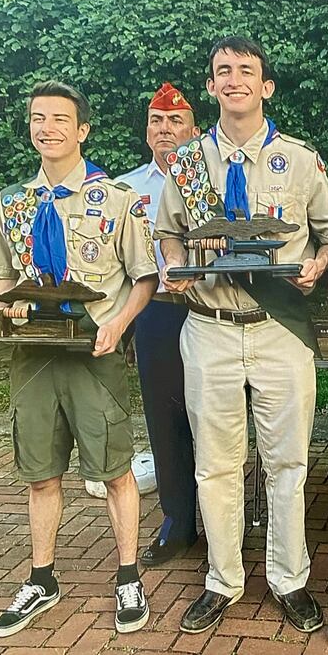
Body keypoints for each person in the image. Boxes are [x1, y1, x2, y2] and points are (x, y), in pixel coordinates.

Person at [154, 36, 328, 635]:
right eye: (222, 71)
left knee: (288, 463)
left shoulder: (302, 159)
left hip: (279, 328)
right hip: (207, 327)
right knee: (216, 464)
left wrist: (318, 265)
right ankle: (223, 580)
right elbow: (169, 235)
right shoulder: (184, 163)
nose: (234, 79)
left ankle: (290, 578)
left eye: (246, 71)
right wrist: (171, 266)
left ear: (267, 86)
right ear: (210, 87)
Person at [0, 81, 158, 636]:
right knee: (40, 473)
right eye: (36, 118)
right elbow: (3, 279)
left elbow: (144, 278)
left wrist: (118, 325)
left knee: (114, 469)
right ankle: (42, 577)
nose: (45, 128)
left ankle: (127, 573)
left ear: (82, 130)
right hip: (33, 357)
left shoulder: (118, 200)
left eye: (58, 119)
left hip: (94, 355)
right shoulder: (12, 203)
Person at [117, 82, 200, 566]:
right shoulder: (126, 189)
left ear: (194, 130)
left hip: (211, 310)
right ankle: (178, 523)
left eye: (175, 122)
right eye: (157, 121)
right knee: (165, 419)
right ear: (147, 131)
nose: (165, 130)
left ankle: (226, 520)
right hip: (158, 313)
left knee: (217, 420)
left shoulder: (213, 178)